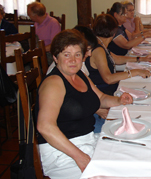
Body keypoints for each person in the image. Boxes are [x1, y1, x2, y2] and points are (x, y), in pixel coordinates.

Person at [35, 29, 133, 179]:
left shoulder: (79, 74)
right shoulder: (53, 83)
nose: (73, 60)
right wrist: (79, 157)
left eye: (77, 54)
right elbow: (45, 127)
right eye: (66, 55)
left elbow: (100, 98)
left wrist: (120, 100)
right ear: (55, 57)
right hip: (62, 153)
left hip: (88, 141)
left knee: (128, 156)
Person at [86, 14, 151, 96]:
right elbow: (108, 79)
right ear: (114, 32)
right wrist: (136, 72)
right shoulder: (98, 50)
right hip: (103, 93)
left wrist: (140, 59)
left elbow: (116, 59)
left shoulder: (100, 43)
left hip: (109, 87)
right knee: (145, 89)